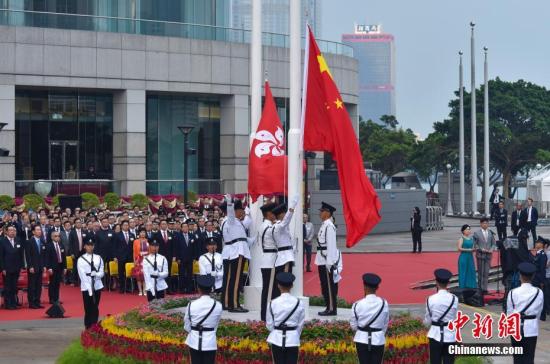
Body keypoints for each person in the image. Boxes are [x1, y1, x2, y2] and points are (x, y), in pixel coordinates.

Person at [220, 195, 253, 312]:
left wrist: (248, 212)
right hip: (236, 251)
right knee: (235, 279)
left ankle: (226, 302)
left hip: (231, 251)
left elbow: (246, 225)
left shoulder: (235, 222)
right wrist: (230, 204)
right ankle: (234, 305)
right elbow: (231, 215)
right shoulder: (230, 220)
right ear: (235, 211)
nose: (242, 213)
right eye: (240, 210)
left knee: (229, 279)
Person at [506, 262, 544, 364]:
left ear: (520, 275)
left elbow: (509, 313)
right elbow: (539, 312)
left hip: (515, 327)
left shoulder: (513, 292)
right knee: (529, 358)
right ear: (533, 276)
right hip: (531, 328)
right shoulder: (538, 292)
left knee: (517, 359)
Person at [266, 272, 305, 364]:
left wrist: (277, 331)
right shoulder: (299, 303)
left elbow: (269, 325)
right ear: (292, 286)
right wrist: (294, 334)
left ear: (278, 285)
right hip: (292, 339)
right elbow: (300, 324)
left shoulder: (272, 303)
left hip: (276, 339)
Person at [350, 273, 389, 364]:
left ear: (364, 287)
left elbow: (353, 325)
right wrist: (378, 333)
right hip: (378, 339)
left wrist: (362, 331)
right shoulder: (384, 303)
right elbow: (385, 324)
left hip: (361, 339)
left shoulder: (357, 304)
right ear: (377, 288)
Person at [184, 275, 223, 364]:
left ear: (198, 288)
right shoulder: (218, 305)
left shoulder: (191, 305)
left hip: (194, 341)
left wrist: (194, 331)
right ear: (211, 288)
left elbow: (187, 326)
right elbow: (216, 325)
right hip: (210, 342)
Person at [424, 268, 458, 364]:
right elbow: (454, 317)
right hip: (449, 334)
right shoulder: (454, 299)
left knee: (435, 361)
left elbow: (427, 320)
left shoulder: (430, 299)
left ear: (436, 282)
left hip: (435, 334)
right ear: (448, 283)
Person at [315, 201, 339, 316]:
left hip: (326, 261)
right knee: (324, 285)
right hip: (321, 259)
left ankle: (331, 308)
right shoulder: (324, 225)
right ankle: (328, 306)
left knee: (329, 286)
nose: (320, 213)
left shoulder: (329, 226)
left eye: (322, 211)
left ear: (328, 213)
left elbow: (331, 245)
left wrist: (330, 262)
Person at [77, 238, 104, 329]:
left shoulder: (98, 258)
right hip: (86, 286)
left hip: (97, 284)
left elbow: (102, 272)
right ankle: (88, 325)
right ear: (84, 246)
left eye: (91, 245)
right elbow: (82, 275)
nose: (90, 247)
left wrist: (96, 274)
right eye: (88, 245)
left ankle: (94, 324)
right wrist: (89, 289)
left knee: (95, 306)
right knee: (88, 307)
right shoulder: (81, 259)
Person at [258, 202, 277, 321]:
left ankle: (265, 315)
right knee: (270, 290)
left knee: (267, 289)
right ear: (268, 214)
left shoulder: (264, 225)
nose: (275, 215)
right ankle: (266, 316)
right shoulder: (269, 227)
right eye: (273, 212)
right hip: (270, 260)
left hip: (266, 259)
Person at [273, 196, 299, 275]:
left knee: (286, 282)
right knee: (284, 282)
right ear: (280, 215)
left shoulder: (282, 227)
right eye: (284, 213)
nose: (285, 215)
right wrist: (292, 206)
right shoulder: (278, 226)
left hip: (287, 256)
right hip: (284, 258)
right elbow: (286, 220)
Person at [0, 224, 24, 309]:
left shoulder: (18, 240)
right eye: (10, 230)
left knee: (14, 287)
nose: (12, 232)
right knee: (8, 287)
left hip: (16, 267)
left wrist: (22, 266)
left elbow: (21, 254)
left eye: (13, 230)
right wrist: (3, 268)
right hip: (7, 268)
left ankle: (14, 303)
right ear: (6, 231)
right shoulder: (2, 241)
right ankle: (8, 303)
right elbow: (1, 256)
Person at [25, 225, 47, 309]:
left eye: (40, 230)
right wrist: (30, 266)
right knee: (32, 286)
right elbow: (28, 255)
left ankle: (37, 301)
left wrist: (44, 265)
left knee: (39, 285)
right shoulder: (29, 241)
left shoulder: (42, 241)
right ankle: (31, 302)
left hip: (40, 266)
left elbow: (43, 255)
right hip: (33, 267)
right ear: (33, 232)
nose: (39, 231)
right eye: (37, 230)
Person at [473, 217, 496, 293]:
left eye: (486, 223)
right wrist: (480, 249)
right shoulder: (477, 233)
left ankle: (485, 288)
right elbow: (475, 244)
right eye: (484, 223)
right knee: (480, 272)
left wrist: (491, 249)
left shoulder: (490, 232)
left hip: (488, 255)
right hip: (480, 255)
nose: (485, 224)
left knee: (486, 272)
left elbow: (493, 243)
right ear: (481, 224)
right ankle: (480, 288)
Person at [46, 230, 67, 304]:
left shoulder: (61, 245)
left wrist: (65, 267)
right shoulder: (49, 246)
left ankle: (56, 298)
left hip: (60, 267)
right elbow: (47, 257)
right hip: (52, 267)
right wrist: (49, 268)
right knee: (52, 283)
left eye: (58, 236)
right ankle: (51, 299)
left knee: (58, 283)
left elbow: (64, 257)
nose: (57, 237)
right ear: (52, 237)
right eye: (55, 236)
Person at [115, 221, 135, 293]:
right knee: (121, 273)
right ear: (122, 226)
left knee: (129, 272)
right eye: (125, 225)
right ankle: (122, 287)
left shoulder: (132, 235)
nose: (126, 226)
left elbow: (133, 247)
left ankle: (129, 287)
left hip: (129, 257)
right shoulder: (117, 235)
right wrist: (115, 256)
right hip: (121, 256)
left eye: (127, 225)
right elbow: (114, 247)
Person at [175, 222, 195, 294]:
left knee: (190, 274)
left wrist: (193, 257)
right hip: (181, 259)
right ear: (181, 228)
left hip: (190, 258)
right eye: (184, 227)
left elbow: (193, 248)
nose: (185, 228)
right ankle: (182, 289)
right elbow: (176, 248)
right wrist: (178, 258)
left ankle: (189, 288)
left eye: (186, 226)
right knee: (182, 274)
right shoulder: (178, 236)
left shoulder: (192, 235)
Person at [457, 224, 477, 289]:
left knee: (471, 271)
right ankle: (462, 287)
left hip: (470, 257)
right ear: (463, 231)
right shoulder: (461, 238)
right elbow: (459, 248)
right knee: (463, 272)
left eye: (469, 229)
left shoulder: (471, 239)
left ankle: (471, 286)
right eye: (467, 229)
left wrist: (474, 249)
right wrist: (468, 250)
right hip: (463, 257)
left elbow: (473, 247)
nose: (468, 231)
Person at [532, 237, 547, 321]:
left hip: (539, 280)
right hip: (535, 279)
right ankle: (538, 313)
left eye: (538, 242)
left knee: (541, 298)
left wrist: (541, 281)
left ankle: (543, 315)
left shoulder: (542, 255)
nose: (536, 244)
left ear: (541, 245)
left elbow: (542, 269)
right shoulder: (538, 254)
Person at [132, 228, 149, 296]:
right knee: (138, 276)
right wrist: (134, 261)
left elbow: (149, 251)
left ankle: (144, 290)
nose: (142, 234)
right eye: (141, 232)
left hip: (146, 260)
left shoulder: (147, 241)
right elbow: (134, 251)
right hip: (138, 260)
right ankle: (140, 290)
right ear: (139, 233)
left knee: (145, 275)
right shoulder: (136, 241)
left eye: (144, 232)